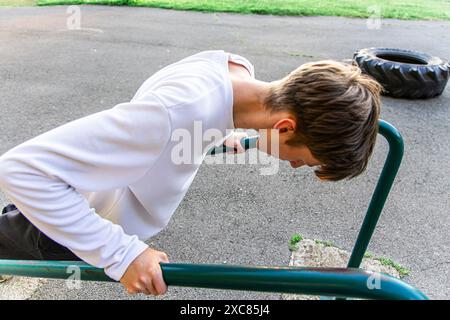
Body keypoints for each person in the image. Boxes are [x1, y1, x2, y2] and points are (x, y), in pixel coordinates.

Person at [0, 50, 381, 296]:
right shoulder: (170, 115)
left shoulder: (233, 70)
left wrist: (221, 130)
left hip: (100, 196)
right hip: (80, 221)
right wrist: (122, 254)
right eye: (305, 160)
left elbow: (199, 106)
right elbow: (20, 170)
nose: (295, 166)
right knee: (10, 240)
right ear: (284, 127)